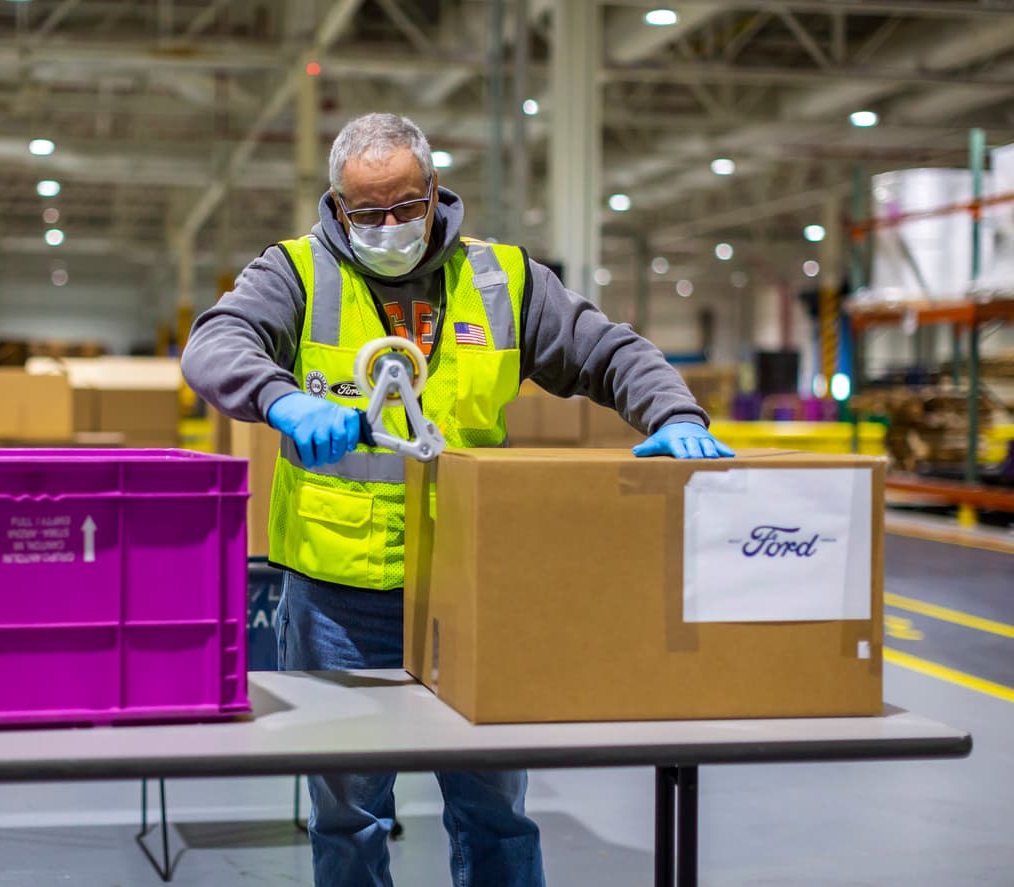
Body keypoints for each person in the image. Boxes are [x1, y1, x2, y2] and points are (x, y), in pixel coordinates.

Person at [181, 112, 733, 887]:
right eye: (367, 212)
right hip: (338, 600)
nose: (389, 225)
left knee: (495, 811)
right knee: (348, 815)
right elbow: (214, 342)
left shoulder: (502, 278)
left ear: (435, 192)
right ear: (336, 207)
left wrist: (674, 413)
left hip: (471, 591)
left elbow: (610, 350)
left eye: (406, 205)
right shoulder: (297, 273)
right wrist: (278, 398)